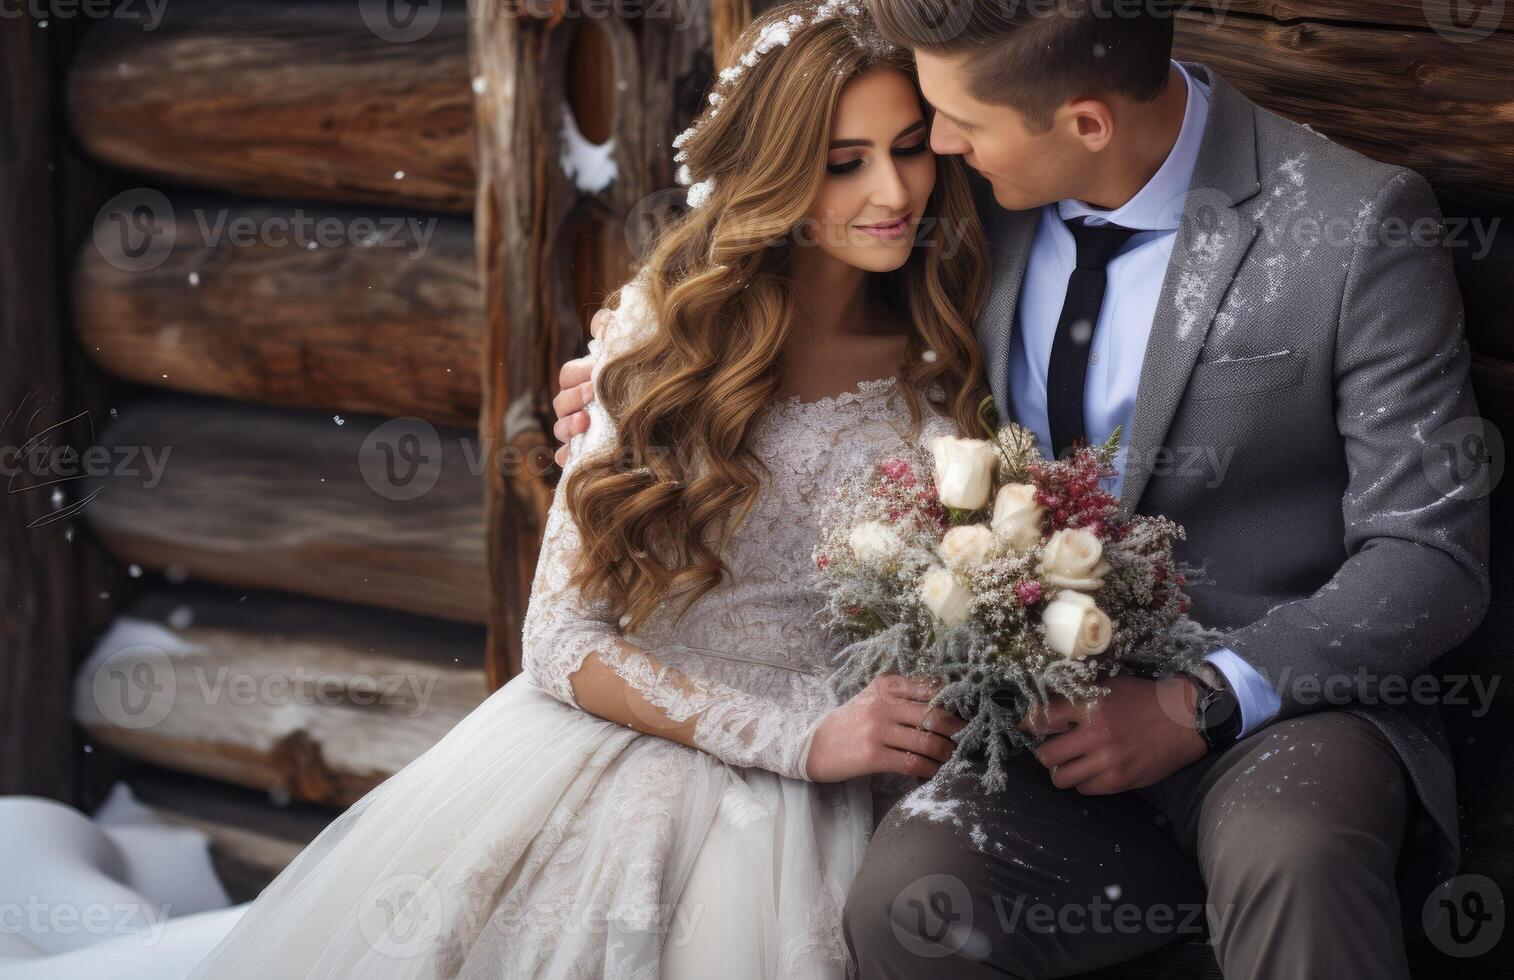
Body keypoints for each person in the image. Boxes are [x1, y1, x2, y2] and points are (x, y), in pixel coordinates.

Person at [554, 1, 1492, 976]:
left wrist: (1196, 701)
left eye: (955, 125)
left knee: (1293, 854)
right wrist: (641, 372)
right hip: (1031, 723)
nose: (938, 148)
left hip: (1279, 706)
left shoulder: (1353, 226)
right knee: (913, 902)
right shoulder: (970, 201)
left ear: (1086, 123)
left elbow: (1430, 553)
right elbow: (800, 276)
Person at [179, 3, 994, 976]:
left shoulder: (946, 357)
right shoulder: (664, 335)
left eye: (910, 148)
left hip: (858, 781)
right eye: (844, 160)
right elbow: (560, 640)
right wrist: (803, 740)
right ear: (776, 171)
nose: (894, 188)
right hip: (644, 755)